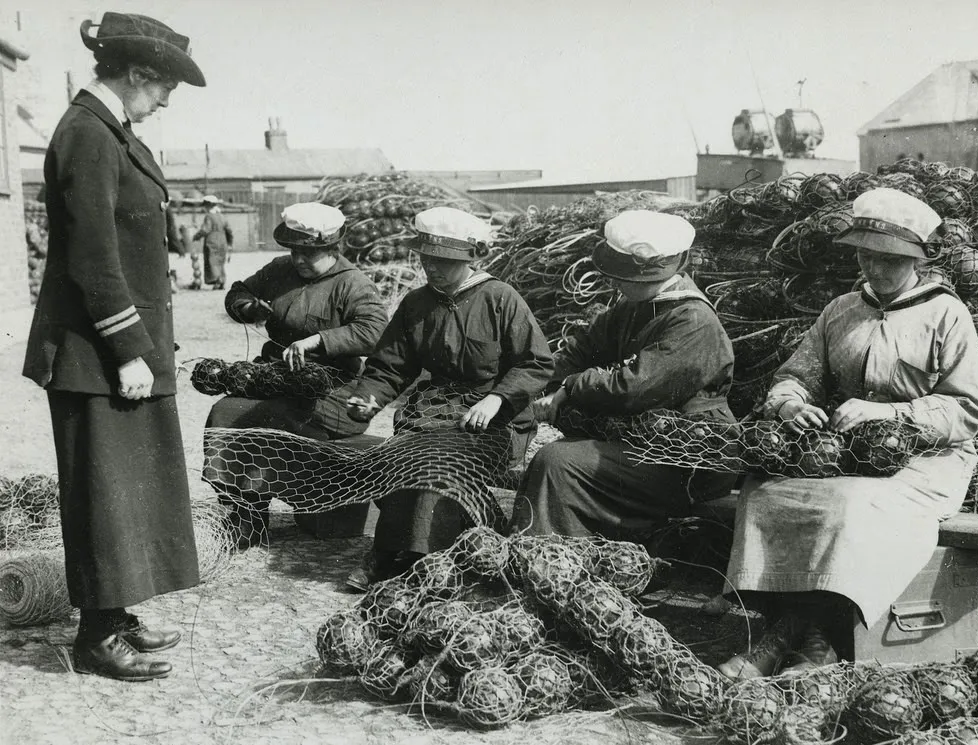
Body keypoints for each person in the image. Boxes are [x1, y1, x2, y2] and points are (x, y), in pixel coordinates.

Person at [718, 188, 978, 680]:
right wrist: (790, 403)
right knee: (765, 495)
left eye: (890, 261)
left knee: (852, 506)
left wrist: (896, 414)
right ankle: (791, 630)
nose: (876, 271)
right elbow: (795, 375)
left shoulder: (946, 314)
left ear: (917, 260)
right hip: (844, 453)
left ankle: (813, 640)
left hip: (927, 460)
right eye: (866, 256)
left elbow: (966, 412)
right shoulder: (841, 310)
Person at [21, 11, 206, 682]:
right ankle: (95, 636)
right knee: (102, 493)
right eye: (162, 91)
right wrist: (130, 347)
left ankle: (115, 613)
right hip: (95, 353)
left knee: (126, 491)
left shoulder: (108, 130)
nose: (162, 105)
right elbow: (93, 259)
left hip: (116, 350)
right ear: (137, 75)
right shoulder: (88, 136)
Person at [345, 207, 554, 590]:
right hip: (432, 410)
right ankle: (389, 550)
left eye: (444, 261)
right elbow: (390, 365)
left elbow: (537, 363)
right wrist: (369, 395)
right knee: (398, 455)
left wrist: (496, 399)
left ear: (470, 258)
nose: (433, 269)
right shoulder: (416, 303)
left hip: (495, 420)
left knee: (436, 460)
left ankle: (424, 559)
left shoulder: (500, 298)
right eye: (427, 260)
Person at [509, 210, 737, 539]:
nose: (614, 282)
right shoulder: (634, 307)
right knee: (561, 454)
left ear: (655, 273)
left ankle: (547, 552)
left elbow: (634, 386)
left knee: (558, 459)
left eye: (623, 277)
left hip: (690, 455)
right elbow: (579, 352)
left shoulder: (693, 320)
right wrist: (525, 386)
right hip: (646, 439)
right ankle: (553, 545)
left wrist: (569, 390)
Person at [203, 202, 389, 546]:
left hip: (330, 389)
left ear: (332, 248)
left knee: (267, 418)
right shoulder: (280, 270)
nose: (299, 259)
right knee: (226, 410)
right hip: (277, 377)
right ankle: (246, 513)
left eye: (309, 253)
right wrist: (246, 307)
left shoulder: (352, 284)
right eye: (294, 251)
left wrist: (320, 340)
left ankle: (269, 507)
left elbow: (376, 331)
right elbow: (239, 291)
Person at [194, 195, 233, 289]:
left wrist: (196, 236)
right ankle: (222, 280)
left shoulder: (209, 216)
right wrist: (230, 243)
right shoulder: (222, 216)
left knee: (212, 262)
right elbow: (229, 230)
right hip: (222, 242)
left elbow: (205, 229)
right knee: (220, 262)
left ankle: (217, 281)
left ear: (208, 206)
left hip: (212, 242)